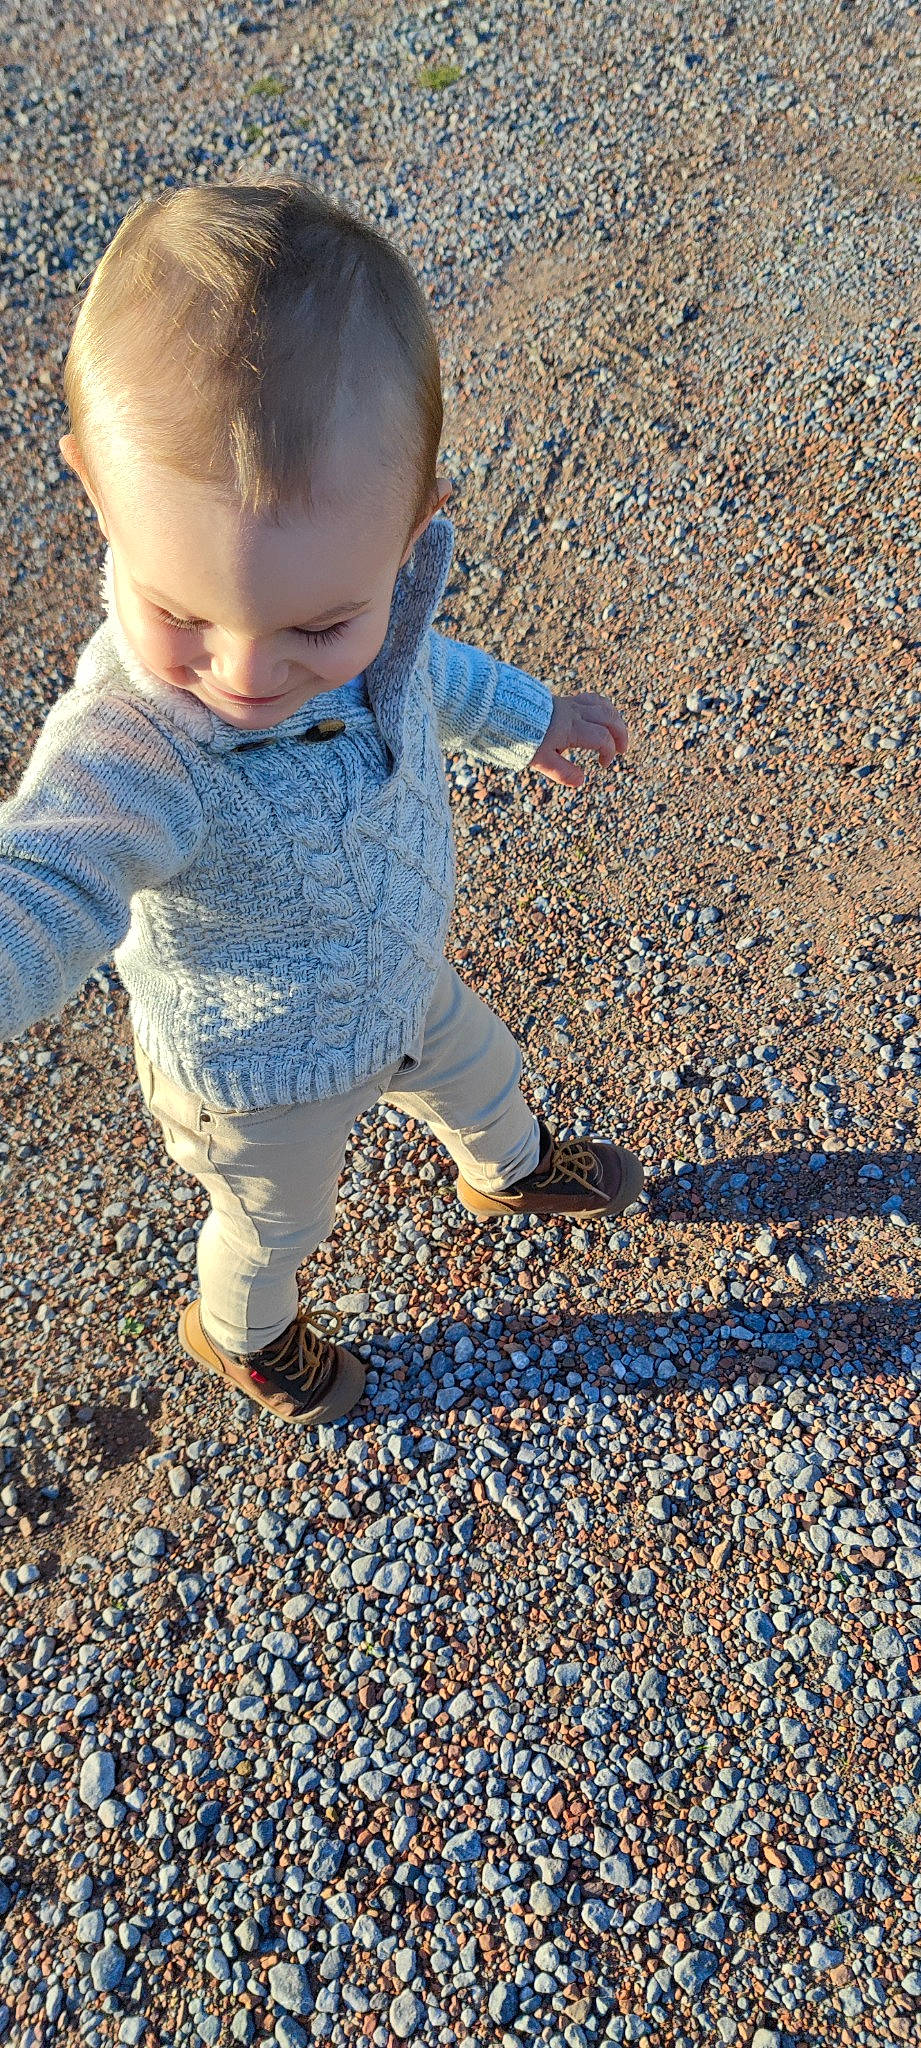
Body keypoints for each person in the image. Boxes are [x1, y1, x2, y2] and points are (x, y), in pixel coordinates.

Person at [0, 177, 643, 1428]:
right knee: (276, 1219)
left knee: (486, 1070)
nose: (245, 675)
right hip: (256, 1078)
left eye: (316, 626)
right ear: (92, 485)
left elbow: (428, 676)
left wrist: (534, 719)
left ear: (413, 534)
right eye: (180, 612)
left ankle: (507, 1172)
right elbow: (49, 874)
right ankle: (241, 1331)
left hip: (398, 975)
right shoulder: (139, 739)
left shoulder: (382, 620)